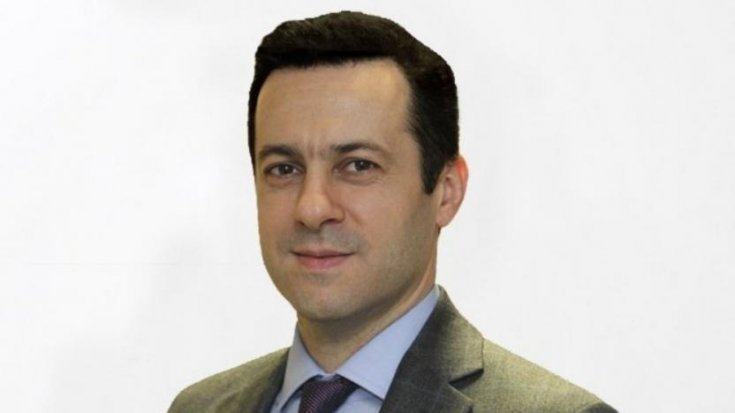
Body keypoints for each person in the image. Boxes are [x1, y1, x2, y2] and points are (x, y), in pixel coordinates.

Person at [168, 11, 616, 413]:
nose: (312, 208)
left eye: (358, 166)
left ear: (446, 192)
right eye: (284, 169)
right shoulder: (199, 407)